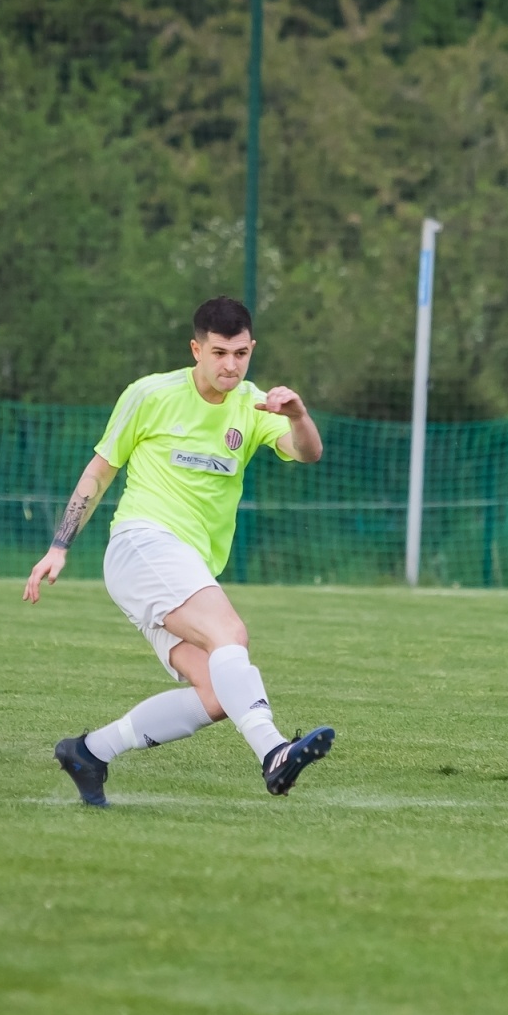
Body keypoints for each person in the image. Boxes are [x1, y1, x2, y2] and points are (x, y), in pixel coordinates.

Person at [24, 296, 333, 807]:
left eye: (240, 353)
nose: (230, 364)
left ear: (251, 348)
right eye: (218, 352)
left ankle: (89, 752)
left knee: (216, 695)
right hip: (142, 545)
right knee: (230, 633)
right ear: (196, 349)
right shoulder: (150, 394)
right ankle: (275, 752)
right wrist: (59, 546)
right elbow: (100, 472)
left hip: (182, 568)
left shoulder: (256, 405)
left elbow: (308, 452)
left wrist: (298, 415)